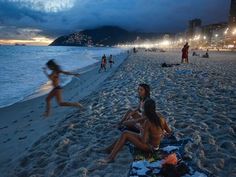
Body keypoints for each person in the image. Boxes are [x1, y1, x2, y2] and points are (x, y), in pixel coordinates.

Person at [99, 99, 172, 163]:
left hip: (150, 147)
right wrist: (160, 135)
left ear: (146, 110)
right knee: (126, 133)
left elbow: (144, 141)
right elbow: (169, 131)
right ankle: (109, 150)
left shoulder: (148, 122)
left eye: (144, 109)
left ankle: (110, 158)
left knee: (125, 134)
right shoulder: (161, 117)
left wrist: (140, 128)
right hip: (155, 145)